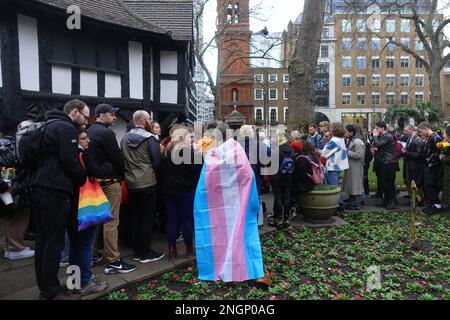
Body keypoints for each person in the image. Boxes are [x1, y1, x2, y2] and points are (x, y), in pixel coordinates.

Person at [29, 99, 88, 300]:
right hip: (55, 190)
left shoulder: (46, 124)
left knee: (42, 241)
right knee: (54, 243)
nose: (85, 121)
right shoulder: (65, 128)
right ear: (74, 112)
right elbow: (69, 161)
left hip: (37, 187)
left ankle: (45, 288)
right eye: (85, 116)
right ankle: (51, 292)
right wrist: (82, 177)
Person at [85, 104, 135, 274]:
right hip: (109, 181)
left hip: (94, 182)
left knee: (96, 219)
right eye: (111, 114)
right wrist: (121, 175)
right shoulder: (105, 133)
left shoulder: (89, 131)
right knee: (111, 221)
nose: (114, 117)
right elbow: (117, 158)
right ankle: (113, 261)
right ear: (101, 115)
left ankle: (91, 255)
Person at [68, 129, 108, 295]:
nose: (88, 141)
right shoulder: (83, 156)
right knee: (85, 246)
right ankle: (85, 281)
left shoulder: (67, 158)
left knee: (75, 246)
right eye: (84, 138)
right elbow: (100, 171)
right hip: (85, 207)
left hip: (70, 207)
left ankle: (74, 282)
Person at [121, 110, 164, 263]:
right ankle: (145, 253)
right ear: (144, 120)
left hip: (131, 182)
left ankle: (137, 251)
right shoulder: (150, 138)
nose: (151, 122)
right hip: (147, 183)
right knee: (146, 218)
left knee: (135, 216)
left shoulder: (124, 138)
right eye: (150, 119)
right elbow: (157, 162)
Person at [162, 126, 202, 260]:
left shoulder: (167, 151)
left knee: (172, 220)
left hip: (168, 190)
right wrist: (198, 153)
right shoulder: (187, 152)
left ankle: (172, 250)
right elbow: (198, 169)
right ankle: (189, 249)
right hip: (184, 190)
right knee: (186, 220)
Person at [1, 121, 34, 261]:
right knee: (18, 218)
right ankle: (16, 248)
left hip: (7, 186)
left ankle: (10, 247)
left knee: (10, 216)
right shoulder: (12, 144)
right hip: (13, 185)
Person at [418, 122, 444, 214]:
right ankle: (432, 204)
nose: (421, 133)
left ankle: (436, 205)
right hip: (429, 166)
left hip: (432, 167)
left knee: (431, 186)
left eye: (421, 131)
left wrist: (430, 165)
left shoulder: (436, 138)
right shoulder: (430, 138)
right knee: (428, 186)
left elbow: (438, 153)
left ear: (426, 128)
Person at [269, 133, 294, 228]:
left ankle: (278, 219)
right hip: (288, 176)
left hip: (277, 176)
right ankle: (286, 219)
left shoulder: (275, 150)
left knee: (278, 197)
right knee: (286, 198)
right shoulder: (291, 150)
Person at [372, 121, 398, 209]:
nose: (375, 130)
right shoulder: (381, 136)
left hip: (389, 163)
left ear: (382, 128)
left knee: (389, 183)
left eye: (377, 128)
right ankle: (386, 200)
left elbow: (378, 144)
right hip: (383, 162)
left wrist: (375, 137)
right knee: (383, 183)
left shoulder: (387, 136)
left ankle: (392, 200)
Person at [343, 125, 365, 210]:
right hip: (351, 166)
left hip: (355, 167)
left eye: (346, 132)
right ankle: (352, 204)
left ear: (351, 132)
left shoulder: (357, 141)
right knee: (352, 186)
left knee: (356, 186)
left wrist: (347, 152)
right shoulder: (351, 139)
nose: (345, 133)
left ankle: (356, 205)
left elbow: (359, 155)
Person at [401, 125, 425, 205]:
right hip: (409, 165)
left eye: (406, 131)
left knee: (416, 184)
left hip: (416, 166)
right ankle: (412, 200)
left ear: (411, 129)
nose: (405, 132)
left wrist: (405, 152)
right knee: (409, 182)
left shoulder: (418, 140)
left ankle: (419, 200)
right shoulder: (409, 138)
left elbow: (418, 155)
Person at [320, 122, 349, 187]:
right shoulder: (341, 139)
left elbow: (324, 153)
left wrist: (319, 151)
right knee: (335, 187)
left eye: (330, 127)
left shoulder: (334, 140)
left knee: (333, 188)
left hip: (332, 167)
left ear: (334, 129)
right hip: (338, 165)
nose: (329, 129)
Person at [440, 126, 450, 213]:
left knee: (447, 186)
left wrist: (442, 158)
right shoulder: (447, 143)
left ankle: (446, 206)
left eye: (444, 133)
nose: (443, 135)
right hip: (447, 169)